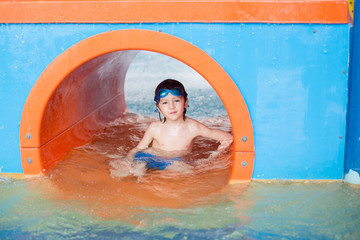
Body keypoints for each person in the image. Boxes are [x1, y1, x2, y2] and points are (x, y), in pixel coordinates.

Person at [122, 79, 233, 175]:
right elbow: (139, 148)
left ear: (185, 102)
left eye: (176, 100)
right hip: (150, 157)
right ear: (159, 108)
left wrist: (215, 155)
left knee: (184, 170)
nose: (171, 106)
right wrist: (127, 160)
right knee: (128, 170)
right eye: (165, 103)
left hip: (177, 161)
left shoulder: (193, 127)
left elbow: (227, 137)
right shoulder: (155, 127)